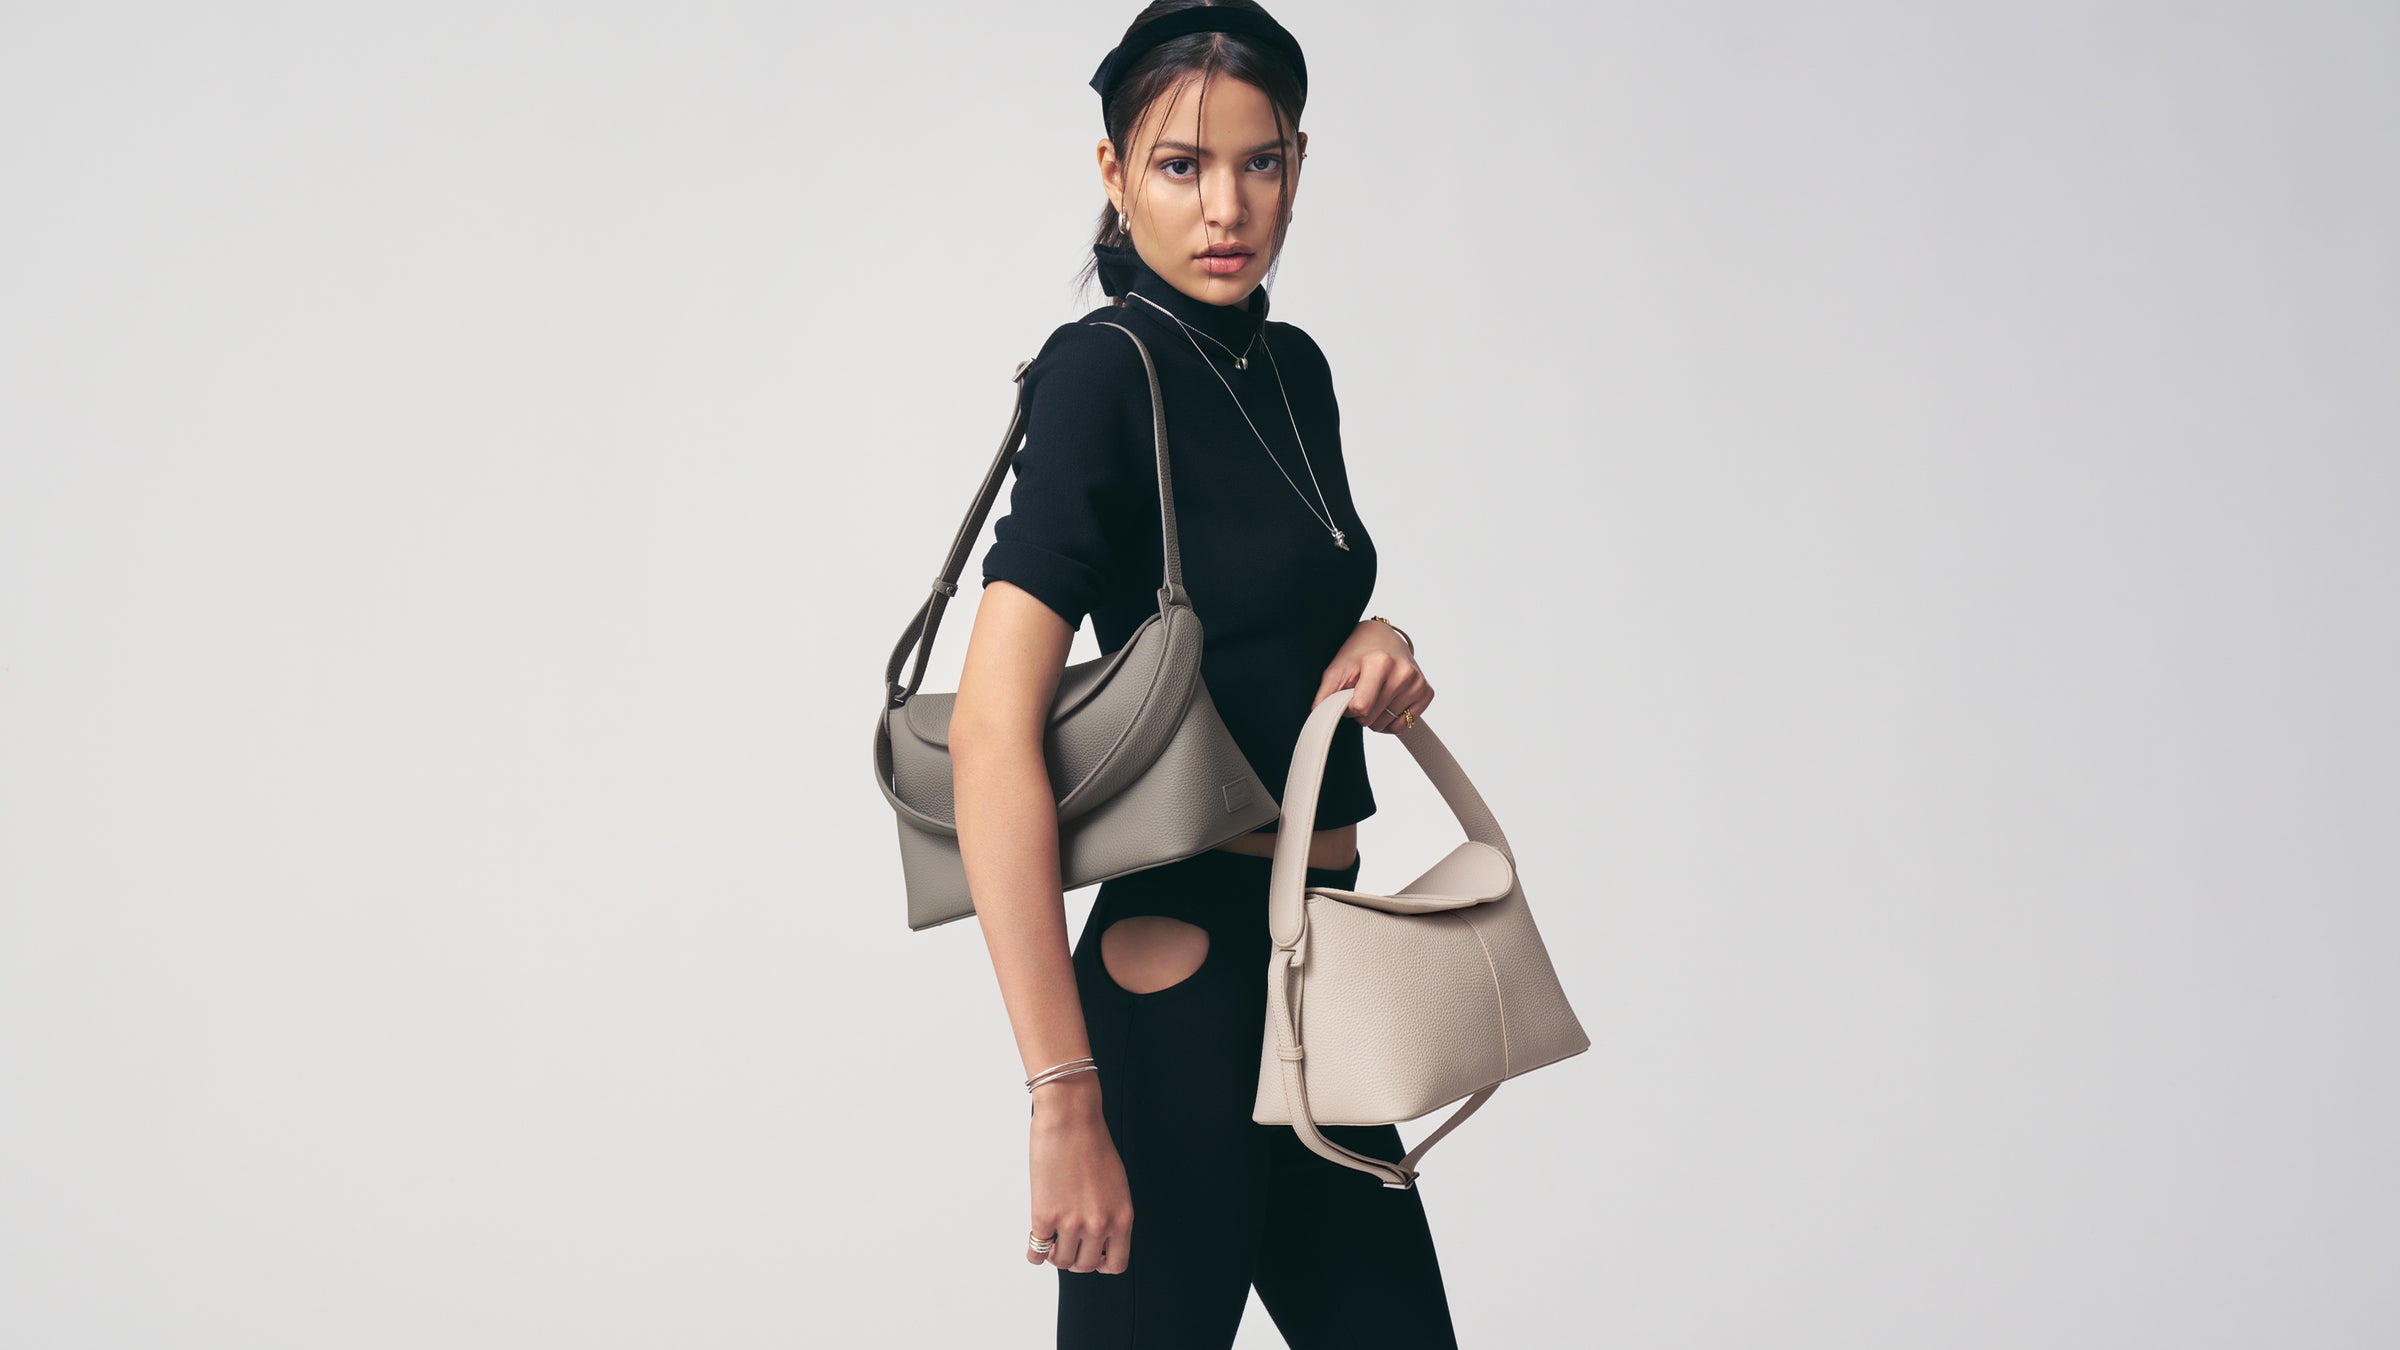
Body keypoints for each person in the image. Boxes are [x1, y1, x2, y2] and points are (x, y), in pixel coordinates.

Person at [948, 4, 1459, 1346]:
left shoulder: (1293, 372)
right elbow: (993, 733)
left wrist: (1375, 641)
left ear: (1298, 161)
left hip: (1323, 973)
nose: (1225, 208)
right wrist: (1063, 1094)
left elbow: (1272, 617)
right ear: (1115, 174)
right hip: (1181, 989)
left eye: (1259, 162)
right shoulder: (1101, 375)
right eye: (1180, 166)